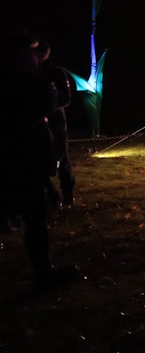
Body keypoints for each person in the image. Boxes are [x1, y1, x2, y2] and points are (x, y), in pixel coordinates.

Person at [0, 29, 82, 291]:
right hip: (20, 158)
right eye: (30, 51)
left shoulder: (41, 76)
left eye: (37, 51)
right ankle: (43, 273)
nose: (35, 56)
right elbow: (27, 112)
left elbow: (59, 100)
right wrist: (46, 98)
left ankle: (42, 268)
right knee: (32, 214)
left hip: (32, 154)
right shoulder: (15, 82)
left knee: (34, 213)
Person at [38, 38, 76, 209]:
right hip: (36, 124)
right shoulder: (29, 74)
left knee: (61, 160)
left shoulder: (56, 73)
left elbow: (66, 98)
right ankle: (52, 197)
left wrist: (49, 106)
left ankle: (68, 193)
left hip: (56, 124)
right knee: (37, 163)